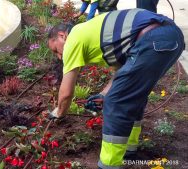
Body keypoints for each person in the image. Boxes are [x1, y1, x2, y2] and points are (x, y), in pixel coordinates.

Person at [47, 9, 185, 169]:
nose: (59, 56)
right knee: (132, 95)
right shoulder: (98, 34)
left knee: (117, 102)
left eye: (56, 50)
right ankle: (129, 150)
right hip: (169, 36)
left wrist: (58, 113)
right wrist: (104, 94)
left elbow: (66, 92)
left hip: (152, 39)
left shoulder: (74, 38)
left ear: (63, 36)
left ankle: (109, 164)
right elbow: (123, 71)